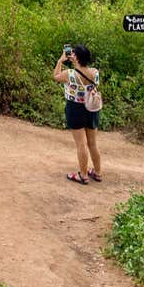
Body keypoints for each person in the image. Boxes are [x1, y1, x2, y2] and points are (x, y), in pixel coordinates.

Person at [54, 44, 102, 185]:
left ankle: (83, 174)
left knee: (81, 144)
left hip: (75, 109)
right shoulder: (95, 72)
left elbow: (56, 76)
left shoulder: (69, 74)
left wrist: (60, 61)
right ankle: (97, 173)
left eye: (73, 53)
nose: (71, 55)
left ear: (77, 57)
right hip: (92, 108)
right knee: (92, 143)